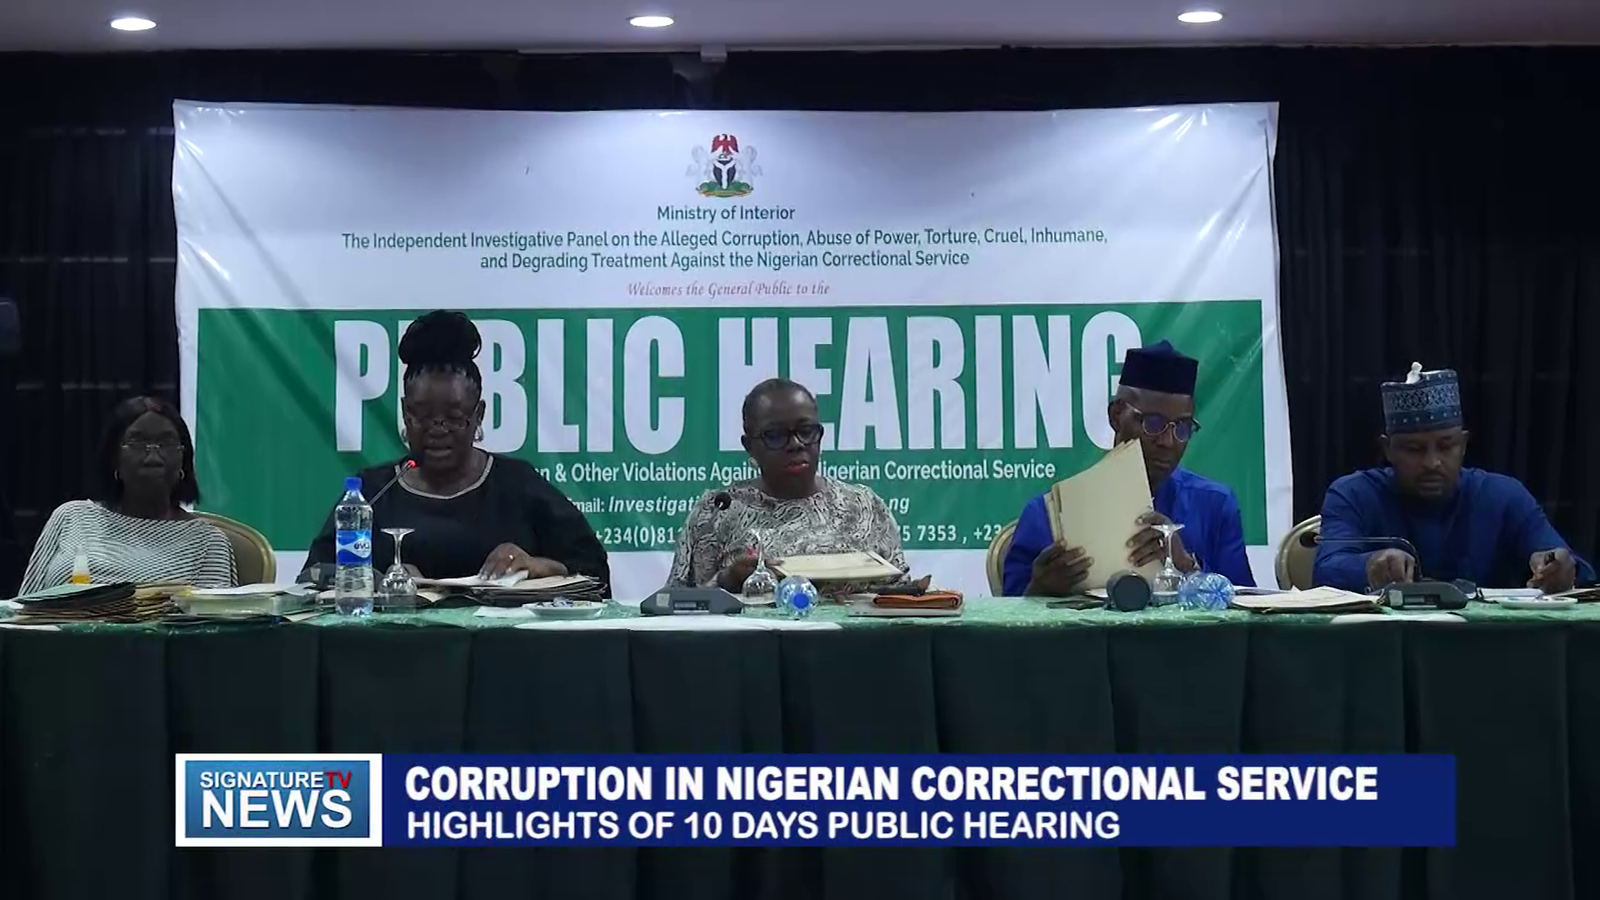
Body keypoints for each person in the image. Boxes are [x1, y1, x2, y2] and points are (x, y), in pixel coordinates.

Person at [302, 311, 610, 590]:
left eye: (453, 416)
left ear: (479, 415)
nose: (438, 429)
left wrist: (537, 566)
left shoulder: (518, 485)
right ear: (405, 414)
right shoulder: (373, 491)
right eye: (422, 416)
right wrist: (382, 579)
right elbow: (313, 577)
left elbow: (594, 571)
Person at [1002, 340, 1254, 596]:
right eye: (1153, 423)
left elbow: (1245, 606)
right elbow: (1007, 614)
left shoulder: (1215, 505)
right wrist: (1038, 589)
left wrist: (1186, 566)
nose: (1168, 442)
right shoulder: (1049, 514)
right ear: (1116, 416)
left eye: (1182, 427)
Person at [1313, 362, 1592, 592]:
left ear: (1464, 444)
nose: (1432, 462)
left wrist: (1562, 569)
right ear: (1388, 449)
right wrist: (1370, 566)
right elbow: (1325, 571)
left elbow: (1571, 566)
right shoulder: (1354, 494)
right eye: (1414, 449)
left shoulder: (1502, 495)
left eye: (1446, 447)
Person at [669, 378, 922, 593]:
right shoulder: (718, 511)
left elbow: (899, 594)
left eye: (806, 431)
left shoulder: (864, 506)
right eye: (776, 435)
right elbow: (674, 607)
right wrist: (727, 581)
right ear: (749, 446)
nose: (796, 444)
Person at [18, 396, 236, 593]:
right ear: (114, 458)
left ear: (183, 459)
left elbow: (213, 622)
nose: (153, 457)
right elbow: (23, 607)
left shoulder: (207, 542)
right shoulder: (71, 517)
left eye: (167, 444)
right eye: (137, 443)